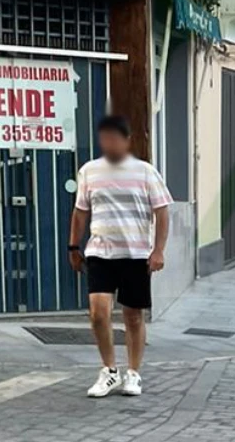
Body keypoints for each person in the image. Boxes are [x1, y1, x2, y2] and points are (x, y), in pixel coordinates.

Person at [68, 115, 172, 398]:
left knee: (133, 317)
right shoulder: (89, 171)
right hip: (100, 252)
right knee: (98, 313)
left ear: (127, 141)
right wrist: (73, 247)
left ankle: (133, 373)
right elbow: (80, 211)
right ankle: (109, 371)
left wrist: (158, 249)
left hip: (136, 253)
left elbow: (162, 211)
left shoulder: (146, 172)